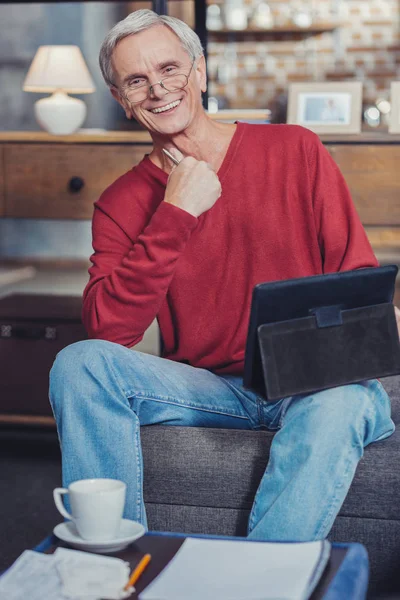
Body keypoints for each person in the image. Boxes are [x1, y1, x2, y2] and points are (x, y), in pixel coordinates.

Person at [49, 9, 398, 542]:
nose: (157, 89)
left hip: (308, 384)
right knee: (79, 364)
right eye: (136, 80)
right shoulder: (120, 202)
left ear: (200, 72)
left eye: (170, 69)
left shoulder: (296, 150)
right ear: (122, 100)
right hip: (209, 389)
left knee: (345, 399)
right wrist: (176, 214)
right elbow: (109, 333)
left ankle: (259, 579)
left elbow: (354, 279)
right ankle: (110, 558)